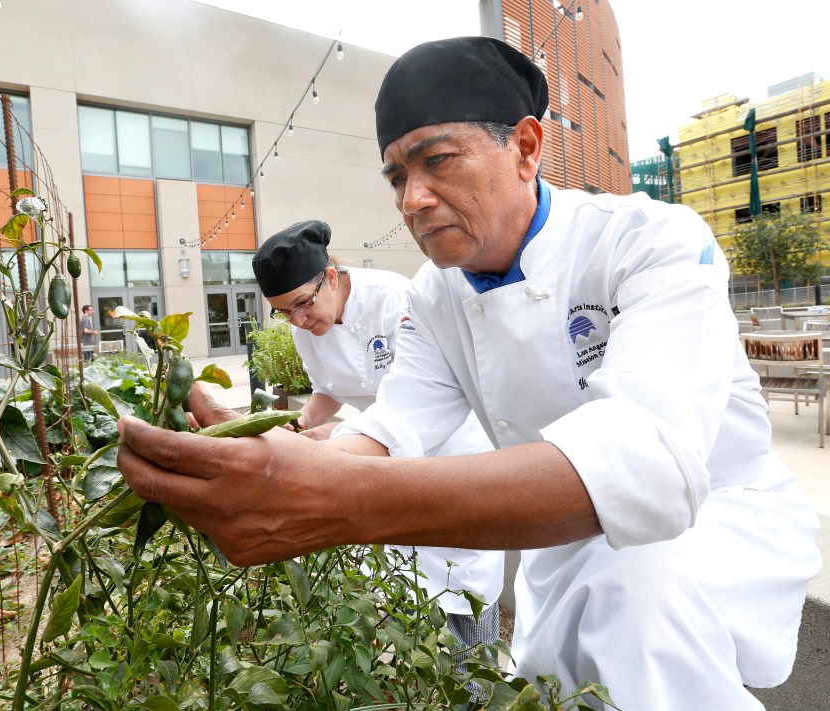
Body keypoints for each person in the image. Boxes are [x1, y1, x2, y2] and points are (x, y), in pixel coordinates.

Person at [116, 37, 821, 710]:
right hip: (561, 550)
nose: (411, 199)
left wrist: (336, 500)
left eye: (437, 161)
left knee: (640, 621)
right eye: (397, 176)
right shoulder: (435, 295)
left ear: (524, 147)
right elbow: (391, 427)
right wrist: (271, 452)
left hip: (704, 530)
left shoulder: (648, 241)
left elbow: (649, 466)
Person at [253, 218, 505, 672]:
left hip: (447, 450)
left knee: (464, 577)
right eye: (284, 312)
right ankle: (423, 682)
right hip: (377, 456)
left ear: (330, 276)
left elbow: (416, 396)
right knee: (402, 581)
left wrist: (335, 439)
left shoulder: (394, 299)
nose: (299, 320)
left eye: (303, 305)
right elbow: (330, 387)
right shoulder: (304, 331)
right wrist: (303, 421)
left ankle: (479, 682)